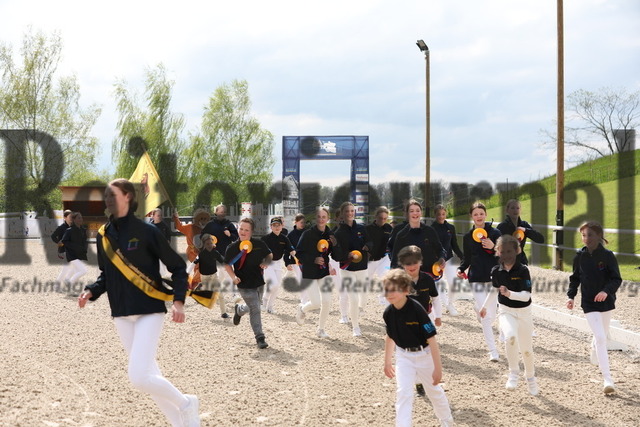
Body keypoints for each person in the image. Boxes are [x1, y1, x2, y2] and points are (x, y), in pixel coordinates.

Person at [77, 178, 200, 427]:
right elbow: (105, 274)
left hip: (149, 310)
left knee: (139, 378)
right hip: (121, 312)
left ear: (128, 197)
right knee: (150, 374)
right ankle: (182, 423)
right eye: (106, 195)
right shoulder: (103, 235)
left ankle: (186, 402)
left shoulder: (148, 231)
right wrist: (91, 291)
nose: (108, 199)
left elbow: (178, 267)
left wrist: (178, 301)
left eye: (113, 194)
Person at [383, 269, 453, 427]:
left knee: (433, 391)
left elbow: (432, 340)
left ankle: (446, 420)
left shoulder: (418, 310)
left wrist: (438, 369)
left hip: (424, 355)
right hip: (403, 356)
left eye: (394, 289)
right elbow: (390, 336)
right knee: (403, 393)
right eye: (387, 289)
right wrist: (387, 362)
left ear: (406, 290)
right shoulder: (388, 313)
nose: (389, 293)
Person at [566, 221, 622, 395]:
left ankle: (594, 348)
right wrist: (571, 296)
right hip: (589, 302)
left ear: (599, 236)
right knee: (600, 337)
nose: (586, 238)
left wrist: (606, 291)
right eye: (583, 235)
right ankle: (607, 379)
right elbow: (575, 278)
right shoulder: (579, 256)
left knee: (601, 335)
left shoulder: (608, 256)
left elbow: (616, 279)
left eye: (590, 235)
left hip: (606, 302)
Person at [480, 235, 538, 395]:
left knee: (526, 350)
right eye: (502, 251)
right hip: (506, 311)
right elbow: (494, 289)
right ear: (498, 252)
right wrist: (484, 306)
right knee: (510, 337)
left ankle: (531, 378)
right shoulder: (496, 271)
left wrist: (509, 293)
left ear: (517, 251)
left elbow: (526, 296)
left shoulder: (523, 270)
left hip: (524, 313)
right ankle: (513, 372)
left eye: (509, 251)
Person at [457, 202, 502, 361]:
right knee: (486, 317)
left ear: (485, 214)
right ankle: (493, 351)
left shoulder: (495, 233)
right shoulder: (468, 237)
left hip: (493, 279)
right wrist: (461, 269)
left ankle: (477, 308)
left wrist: (494, 246)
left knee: (491, 315)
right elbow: (467, 258)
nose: (479, 217)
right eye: (475, 214)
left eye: (481, 213)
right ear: (471, 216)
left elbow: (504, 255)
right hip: (475, 278)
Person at [294, 207, 343, 339]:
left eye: (324, 217)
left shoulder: (331, 235)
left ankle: (320, 329)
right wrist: (313, 259)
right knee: (316, 302)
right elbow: (299, 254)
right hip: (309, 272)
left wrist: (336, 245)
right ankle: (302, 309)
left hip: (324, 272)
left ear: (328, 219)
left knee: (327, 301)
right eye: (319, 217)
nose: (321, 219)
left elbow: (337, 256)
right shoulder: (307, 234)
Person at [225, 217, 273, 349]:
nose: (243, 232)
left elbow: (269, 255)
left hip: (259, 282)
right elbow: (227, 265)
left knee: (254, 305)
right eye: (241, 229)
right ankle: (260, 337)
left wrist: (266, 262)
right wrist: (233, 277)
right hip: (243, 284)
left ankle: (240, 310)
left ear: (251, 232)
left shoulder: (259, 244)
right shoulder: (232, 248)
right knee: (255, 308)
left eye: (246, 230)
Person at [390, 199, 445, 274]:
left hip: (429, 275)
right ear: (407, 214)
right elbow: (394, 261)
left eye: (417, 210)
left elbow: (440, 250)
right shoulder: (401, 235)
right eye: (411, 211)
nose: (415, 213)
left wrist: (442, 258)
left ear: (421, 213)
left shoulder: (430, 231)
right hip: (408, 276)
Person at [431, 204, 464, 316]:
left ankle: (450, 303)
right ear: (434, 215)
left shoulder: (451, 227)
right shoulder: (431, 229)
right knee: (439, 286)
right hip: (435, 262)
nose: (441, 216)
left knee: (453, 283)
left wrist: (463, 257)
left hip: (449, 259)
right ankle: (446, 305)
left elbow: (454, 245)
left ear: (446, 214)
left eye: (443, 214)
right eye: (438, 214)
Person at [188, 233, 228, 320]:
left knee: (220, 295)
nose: (209, 245)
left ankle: (224, 313)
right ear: (203, 244)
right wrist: (187, 273)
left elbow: (223, 262)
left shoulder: (215, 253)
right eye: (207, 244)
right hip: (204, 278)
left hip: (214, 276)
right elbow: (193, 264)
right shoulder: (201, 254)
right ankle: (200, 288)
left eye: (210, 243)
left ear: (213, 243)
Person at [261, 217, 296, 314]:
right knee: (274, 284)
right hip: (268, 264)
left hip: (278, 264)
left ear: (282, 226)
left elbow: (291, 249)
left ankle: (270, 307)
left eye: (278, 225)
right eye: (274, 225)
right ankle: (264, 300)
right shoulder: (265, 238)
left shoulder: (284, 238)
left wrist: (294, 253)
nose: (276, 227)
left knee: (276, 287)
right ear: (270, 226)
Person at [496, 199, 544, 265]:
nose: (515, 210)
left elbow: (540, 239)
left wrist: (525, 230)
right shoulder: (502, 226)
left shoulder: (524, 225)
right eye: (512, 208)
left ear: (520, 210)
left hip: (521, 261)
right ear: (507, 210)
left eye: (517, 208)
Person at [173, 208, 211, 288]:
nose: (203, 221)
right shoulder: (190, 227)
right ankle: (193, 284)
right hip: (192, 252)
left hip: (202, 252)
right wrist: (176, 217)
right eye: (201, 219)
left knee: (198, 268)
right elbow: (179, 227)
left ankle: (194, 284)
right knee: (200, 266)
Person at [366, 206, 393, 305]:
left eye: (385, 218)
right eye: (381, 218)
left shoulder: (389, 228)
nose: (383, 220)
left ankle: (385, 301)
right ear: (375, 216)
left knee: (387, 279)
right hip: (369, 260)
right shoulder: (367, 228)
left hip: (383, 259)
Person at [60, 212, 89, 287]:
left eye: (81, 217)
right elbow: (64, 241)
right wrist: (75, 247)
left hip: (80, 254)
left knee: (75, 270)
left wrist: (84, 249)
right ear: (74, 220)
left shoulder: (83, 230)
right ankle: (69, 283)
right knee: (83, 271)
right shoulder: (69, 230)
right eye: (78, 218)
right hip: (71, 254)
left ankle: (67, 281)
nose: (81, 219)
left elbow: (84, 242)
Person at [287, 214, 307, 304]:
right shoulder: (290, 235)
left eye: (304, 222)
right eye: (301, 222)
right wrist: (287, 262)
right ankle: (304, 301)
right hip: (296, 262)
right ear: (295, 222)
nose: (303, 224)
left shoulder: (308, 233)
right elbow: (286, 250)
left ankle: (307, 300)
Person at [52, 209, 73, 281]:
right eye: (70, 216)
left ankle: (66, 281)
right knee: (66, 269)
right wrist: (58, 242)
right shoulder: (61, 227)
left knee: (72, 268)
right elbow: (53, 236)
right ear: (65, 217)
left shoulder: (72, 227)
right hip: (64, 251)